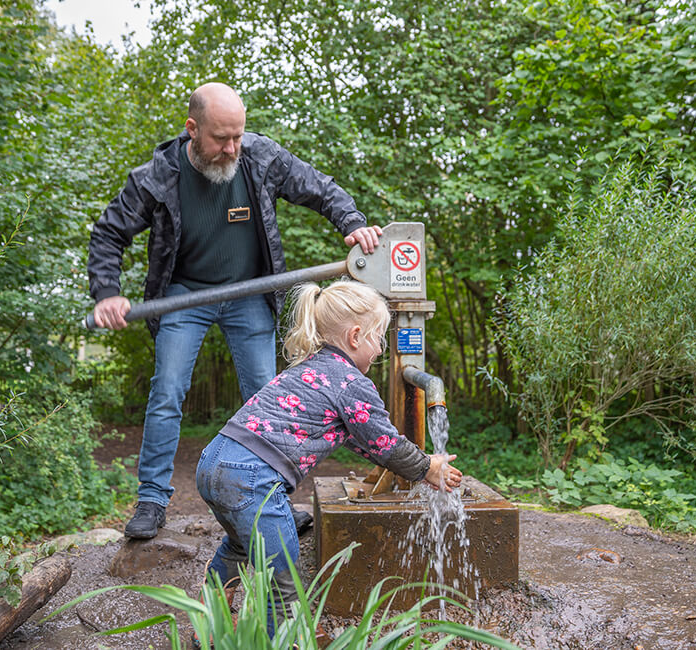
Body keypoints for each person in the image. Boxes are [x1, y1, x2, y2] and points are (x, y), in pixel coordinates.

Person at [87, 82, 383, 540]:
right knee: (166, 392)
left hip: (250, 296)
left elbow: (318, 187)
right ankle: (151, 500)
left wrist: (353, 224)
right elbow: (109, 234)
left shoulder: (260, 157)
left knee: (269, 398)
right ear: (192, 130)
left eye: (237, 137)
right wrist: (107, 290)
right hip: (184, 295)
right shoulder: (158, 176)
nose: (231, 148)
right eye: (220, 138)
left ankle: (272, 499)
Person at [194, 280, 463, 638]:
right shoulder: (350, 381)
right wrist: (426, 466)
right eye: (379, 338)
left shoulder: (309, 369)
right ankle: (289, 640)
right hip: (252, 479)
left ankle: (207, 628)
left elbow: (358, 439)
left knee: (239, 545)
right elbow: (385, 442)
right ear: (355, 336)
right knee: (282, 578)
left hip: (214, 462)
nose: (381, 348)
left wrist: (413, 463)